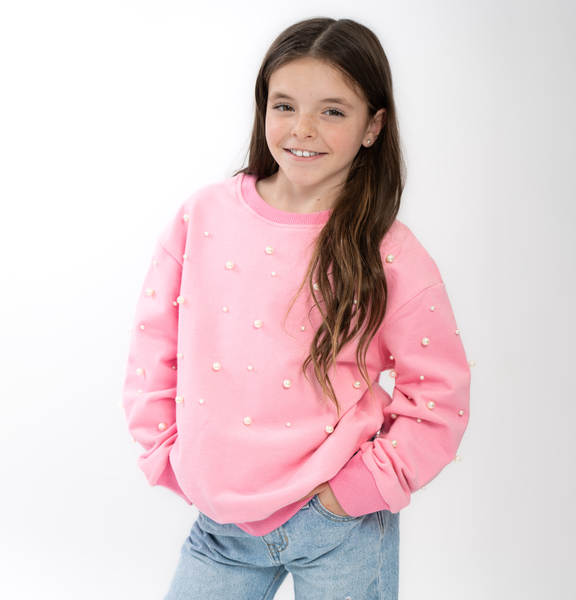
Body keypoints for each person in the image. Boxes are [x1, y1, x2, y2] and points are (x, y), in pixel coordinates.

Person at [122, 16, 471, 600]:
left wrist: (355, 492)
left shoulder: (389, 251)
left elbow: (439, 392)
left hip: (338, 526)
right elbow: (154, 344)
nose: (303, 128)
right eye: (284, 105)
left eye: (333, 111)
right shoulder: (203, 216)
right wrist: (168, 455)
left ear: (373, 126)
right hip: (222, 526)